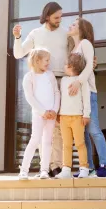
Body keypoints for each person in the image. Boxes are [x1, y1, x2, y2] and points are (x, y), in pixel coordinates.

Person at [13, 2, 67, 177]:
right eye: (56, 17)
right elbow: (19, 53)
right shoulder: (36, 34)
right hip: (41, 81)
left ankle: (56, 166)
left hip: (59, 80)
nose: (59, 20)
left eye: (60, 17)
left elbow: (75, 53)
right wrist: (17, 37)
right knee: (42, 129)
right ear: (47, 16)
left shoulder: (65, 34)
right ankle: (45, 167)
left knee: (57, 127)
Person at [67, 17, 106, 178]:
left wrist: (78, 82)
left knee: (93, 130)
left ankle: (104, 165)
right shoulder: (72, 48)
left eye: (74, 24)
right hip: (76, 96)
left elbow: (88, 68)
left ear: (82, 29)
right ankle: (88, 167)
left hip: (88, 92)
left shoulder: (85, 43)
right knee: (82, 133)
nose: (70, 26)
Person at [19, 48, 60, 180]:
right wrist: (43, 112)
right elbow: (30, 97)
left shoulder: (50, 75)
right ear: (37, 61)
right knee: (35, 139)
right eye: (46, 60)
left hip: (51, 115)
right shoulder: (29, 77)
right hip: (39, 114)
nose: (48, 63)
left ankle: (44, 170)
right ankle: (24, 170)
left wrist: (54, 110)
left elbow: (56, 92)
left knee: (47, 142)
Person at [57, 52, 91, 179]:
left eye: (65, 64)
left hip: (78, 117)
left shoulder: (82, 82)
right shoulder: (63, 81)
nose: (64, 66)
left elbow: (86, 99)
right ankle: (66, 169)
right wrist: (58, 113)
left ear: (70, 66)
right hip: (64, 117)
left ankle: (84, 168)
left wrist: (86, 115)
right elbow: (60, 97)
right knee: (66, 144)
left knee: (80, 143)